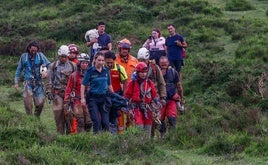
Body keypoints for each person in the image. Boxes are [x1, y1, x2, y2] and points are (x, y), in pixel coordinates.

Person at [14, 41, 50, 117]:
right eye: (32, 50)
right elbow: (19, 69)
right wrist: (16, 82)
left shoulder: (40, 56)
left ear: (37, 49)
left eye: (35, 50)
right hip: (28, 84)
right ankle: (30, 120)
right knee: (28, 104)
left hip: (38, 84)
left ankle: (36, 117)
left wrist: (47, 72)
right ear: (29, 48)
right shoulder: (24, 57)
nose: (33, 52)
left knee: (40, 103)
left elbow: (49, 65)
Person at [136, 47, 167, 138]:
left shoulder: (154, 68)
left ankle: (153, 137)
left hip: (153, 97)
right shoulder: (137, 68)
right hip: (141, 98)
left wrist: (163, 97)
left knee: (154, 119)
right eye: (140, 60)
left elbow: (161, 83)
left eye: (143, 60)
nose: (142, 62)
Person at [124, 62, 161, 136]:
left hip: (148, 109)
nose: (144, 74)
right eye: (141, 72)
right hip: (136, 108)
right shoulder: (132, 83)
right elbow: (127, 95)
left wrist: (157, 101)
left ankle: (146, 145)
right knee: (139, 126)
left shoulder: (149, 83)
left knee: (148, 128)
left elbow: (154, 94)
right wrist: (126, 105)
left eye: (145, 72)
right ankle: (139, 144)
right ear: (137, 72)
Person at [81, 52, 114, 134]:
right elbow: (83, 85)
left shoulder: (106, 71)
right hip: (93, 99)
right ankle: (96, 141)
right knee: (96, 121)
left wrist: (113, 96)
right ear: (95, 60)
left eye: (102, 60)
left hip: (104, 98)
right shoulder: (90, 71)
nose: (101, 62)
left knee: (106, 123)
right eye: (99, 60)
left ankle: (105, 140)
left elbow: (109, 85)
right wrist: (82, 98)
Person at [46, 45, 77, 134]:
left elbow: (76, 79)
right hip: (57, 93)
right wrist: (49, 91)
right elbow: (49, 79)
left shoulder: (73, 65)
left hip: (69, 94)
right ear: (58, 56)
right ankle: (60, 133)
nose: (63, 58)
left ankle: (70, 132)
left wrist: (75, 91)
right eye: (61, 57)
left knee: (69, 113)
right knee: (58, 112)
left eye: (65, 57)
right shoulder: (53, 66)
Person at [64, 53, 92, 133]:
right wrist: (66, 101)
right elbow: (68, 88)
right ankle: (80, 138)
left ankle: (87, 138)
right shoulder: (74, 75)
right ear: (79, 63)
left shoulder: (91, 75)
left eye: (86, 63)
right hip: (77, 100)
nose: (85, 64)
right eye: (83, 63)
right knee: (80, 120)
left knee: (89, 122)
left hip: (88, 100)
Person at [115, 38, 138, 128]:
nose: (124, 50)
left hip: (131, 92)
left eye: (126, 49)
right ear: (119, 49)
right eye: (123, 48)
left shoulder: (134, 60)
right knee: (119, 113)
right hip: (118, 91)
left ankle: (130, 134)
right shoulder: (114, 59)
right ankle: (120, 133)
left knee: (131, 114)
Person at [104, 51, 128, 134]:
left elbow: (125, 81)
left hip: (117, 96)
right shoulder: (101, 68)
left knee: (118, 116)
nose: (109, 64)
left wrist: (124, 95)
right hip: (104, 96)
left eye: (111, 62)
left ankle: (120, 135)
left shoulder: (119, 68)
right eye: (107, 63)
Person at [158, 56, 182, 137]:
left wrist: (181, 98)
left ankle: (173, 137)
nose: (164, 65)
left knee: (172, 117)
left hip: (172, 99)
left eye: (165, 64)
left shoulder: (173, 72)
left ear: (168, 63)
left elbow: (179, 86)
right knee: (159, 119)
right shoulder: (156, 73)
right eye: (162, 64)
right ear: (159, 64)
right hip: (160, 100)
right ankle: (162, 136)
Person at [165, 24, 187, 105]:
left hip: (178, 58)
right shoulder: (167, 39)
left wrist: (180, 44)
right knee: (170, 71)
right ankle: (172, 86)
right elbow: (166, 48)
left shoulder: (179, 37)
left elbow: (186, 45)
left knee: (178, 72)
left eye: (171, 28)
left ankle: (178, 84)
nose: (170, 30)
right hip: (170, 58)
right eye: (168, 29)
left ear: (174, 28)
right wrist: (167, 56)